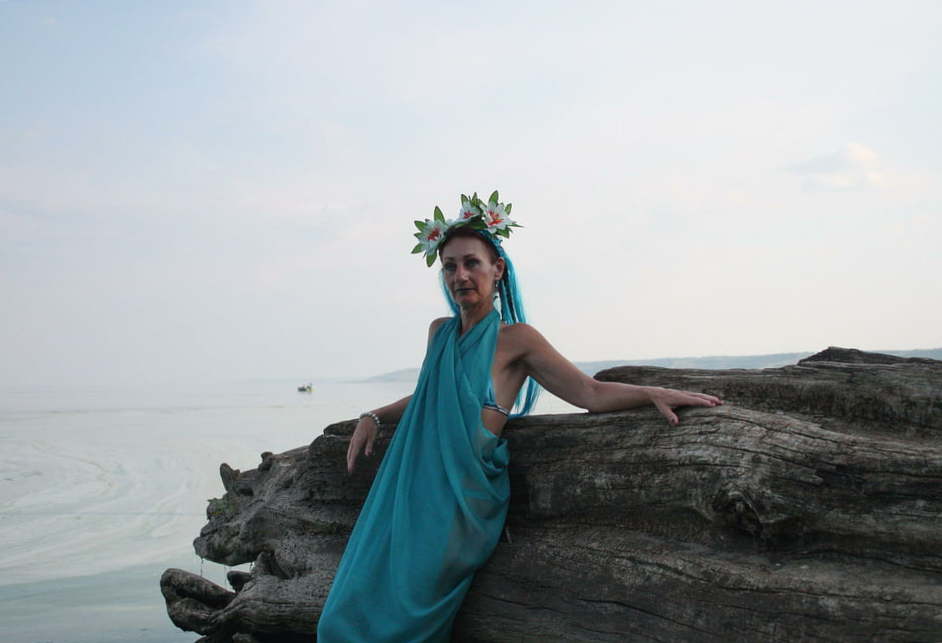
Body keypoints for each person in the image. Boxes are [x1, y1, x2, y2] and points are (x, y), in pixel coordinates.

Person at [316, 191, 722, 641]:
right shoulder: (439, 333)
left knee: (405, 616)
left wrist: (650, 392)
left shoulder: (518, 340)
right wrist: (373, 415)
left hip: (462, 503)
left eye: (471, 263)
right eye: (449, 266)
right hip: (412, 489)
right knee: (340, 619)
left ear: (498, 269)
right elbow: (428, 397)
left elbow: (588, 392)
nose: (460, 275)